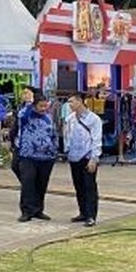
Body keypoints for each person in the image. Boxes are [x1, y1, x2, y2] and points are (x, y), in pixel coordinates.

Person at [16, 94, 57, 222]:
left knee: (41, 184)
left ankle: (38, 210)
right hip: (28, 156)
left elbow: (53, 133)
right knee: (28, 183)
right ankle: (26, 211)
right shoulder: (26, 116)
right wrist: (29, 103)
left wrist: (54, 150)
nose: (44, 108)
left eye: (46, 106)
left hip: (46, 157)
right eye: (41, 106)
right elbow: (22, 116)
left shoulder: (48, 118)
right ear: (34, 106)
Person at [65, 94, 103, 226]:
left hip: (87, 156)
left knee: (89, 186)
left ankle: (91, 215)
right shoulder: (70, 118)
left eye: (72, 101)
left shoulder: (94, 119)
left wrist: (94, 158)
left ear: (80, 101)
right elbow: (68, 135)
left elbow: (96, 139)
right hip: (74, 156)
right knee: (78, 186)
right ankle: (83, 212)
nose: (69, 104)